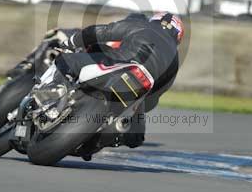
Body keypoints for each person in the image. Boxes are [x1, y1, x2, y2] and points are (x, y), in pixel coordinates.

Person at [58, 12, 183, 151]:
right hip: (141, 88)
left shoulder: (142, 25)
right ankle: (94, 144)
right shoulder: (175, 60)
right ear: (177, 37)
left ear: (154, 20)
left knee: (66, 59)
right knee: (135, 138)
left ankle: (55, 92)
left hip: (120, 64)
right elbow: (156, 96)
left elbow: (103, 31)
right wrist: (138, 107)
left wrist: (72, 41)